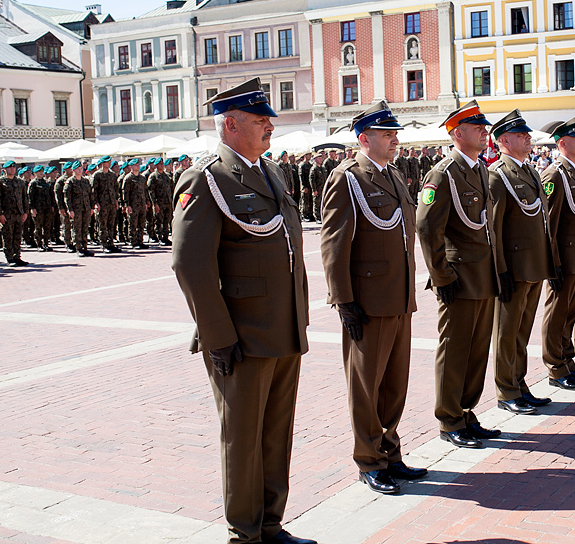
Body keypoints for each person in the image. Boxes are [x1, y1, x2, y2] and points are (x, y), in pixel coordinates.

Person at [171, 78, 314, 544]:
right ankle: (245, 534)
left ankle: (271, 524)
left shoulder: (270, 172)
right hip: (242, 335)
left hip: (283, 327)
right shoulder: (207, 178)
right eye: (260, 120)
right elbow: (189, 263)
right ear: (230, 124)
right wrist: (218, 336)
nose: (270, 126)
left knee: (276, 435)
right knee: (243, 440)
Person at [320, 100, 426, 496]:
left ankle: (390, 452)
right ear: (365, 139)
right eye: (387, 134)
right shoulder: (348, 178)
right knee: (367, 386)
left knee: (395, 384)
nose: (395, 140)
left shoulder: (394, 175)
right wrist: (343, 299)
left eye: (395, 134)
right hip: (367, 299)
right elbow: (334, 242)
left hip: (398, 297)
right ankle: (369, 460)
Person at [416, 100, 502, 449]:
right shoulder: (443, 173)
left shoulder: (479, 169)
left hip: (483, 274)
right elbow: (426, 226)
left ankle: (467, 413)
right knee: (455, 351)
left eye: (485, 127)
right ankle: (449, 419)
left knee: (477, 350)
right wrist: (441, 276)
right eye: (477, 127)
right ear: (457, 133)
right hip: (459, 279)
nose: (485, 132)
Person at [487, 109, 555, 415]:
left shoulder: (529, 171)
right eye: (520, 134)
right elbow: (494, 229)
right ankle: (507, 390)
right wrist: (500, 270)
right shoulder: (497, 176)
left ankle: (519, 383)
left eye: (526, 134)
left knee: (522, 332)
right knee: (506, 333)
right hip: (513, 269)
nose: (528, 138)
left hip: (533, 266)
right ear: (503, 141)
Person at [540, 117, 575, 391]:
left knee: (570, 314)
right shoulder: (554, 174)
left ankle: (567, 362)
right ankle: (555, 366)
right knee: (557, 314)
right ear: (562, 143)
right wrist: (553, 264)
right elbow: (549, 225)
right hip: (565, 259)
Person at [0, 161, 29, 266]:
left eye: (14, 167)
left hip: (18, 213)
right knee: (7, 236)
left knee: (17, 236)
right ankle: (10, 258)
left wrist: (25, 212)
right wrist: (0, 214)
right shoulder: (0, 182)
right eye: (10, 167)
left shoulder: (19, 181)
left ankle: (17, 256)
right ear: (5, 169)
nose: (12, 169)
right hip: (6, 214)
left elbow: (24, 198)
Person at [92, 156, 123, 253]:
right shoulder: (97, 175)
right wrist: (95, 203)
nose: (109, 163)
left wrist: (116, 201)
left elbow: (115, 189)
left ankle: (111, 243)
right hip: (102, 204)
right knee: (102, 225)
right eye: (107, 162)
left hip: (111, 203)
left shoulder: (112, 175)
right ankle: (104, 244)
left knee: (111, 224)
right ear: (102, 163)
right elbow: (93, 191)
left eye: (110, 162)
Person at [64, 162, 95, 257]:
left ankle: (84, 247)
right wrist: (70, 210)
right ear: (73, 170)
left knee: (85, 228)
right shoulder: (70, 182)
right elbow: (67, 197)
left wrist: (92, 207)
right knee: (77, 228)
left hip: (86, 208)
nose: (80, 170)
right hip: (76, 209)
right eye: (77, 169)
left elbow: (90, 195)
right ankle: (78, 248)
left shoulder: (85, 181)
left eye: (81, 168)